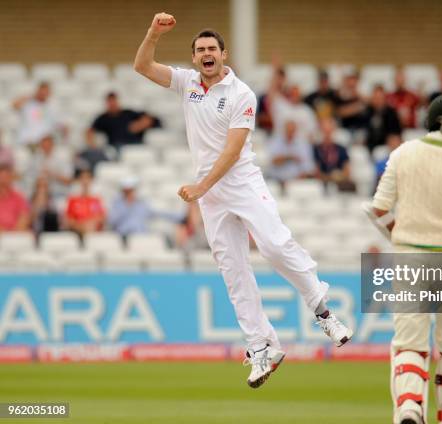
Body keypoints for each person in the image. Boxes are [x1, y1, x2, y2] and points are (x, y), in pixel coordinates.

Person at [133, 13, 352, 388]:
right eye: (199, 50)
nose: (206, 54)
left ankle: (322, 309)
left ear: (223, 54)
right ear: (193, 57)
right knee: (233, 270)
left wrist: (201, 187)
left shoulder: (241, 94)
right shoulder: (187, 82)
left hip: (242, 182)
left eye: (211, 49)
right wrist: (153, 32)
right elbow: (142, 66)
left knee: (274, 245)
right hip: (211, 194)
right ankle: (262, 346)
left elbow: (233, 151)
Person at [370, 94, 442, 424]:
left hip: (411, 258)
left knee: (409, 344)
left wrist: (400, 234)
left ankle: (409, 408)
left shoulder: (403, 153)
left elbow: (377, 210)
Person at [108, 176, 181, 238]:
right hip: (123, 237)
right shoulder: (117, 205)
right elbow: (112, 221)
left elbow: (159, 213)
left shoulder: (142, 205)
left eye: (131, 190)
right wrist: (127, 206)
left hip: (141, 237)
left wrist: (180, 217)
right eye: (127, 191)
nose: (129, 193)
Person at [88, 92, 161, 151]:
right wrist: (93, 145)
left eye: (114, 101)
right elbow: (90, 131)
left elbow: (152, 119)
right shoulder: (103, 118)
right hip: (117, 147)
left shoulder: (128, 113)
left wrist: (139, 125)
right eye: (110, 102)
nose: (112, 104)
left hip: (136, 145)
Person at [12, 81, 66, 148]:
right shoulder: (29, 104)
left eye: (46, 91)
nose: (43, 94)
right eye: (42, 91)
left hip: (45, 143)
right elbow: (15, 105)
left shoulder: (52, 106)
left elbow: (60, 124)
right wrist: (30, 97)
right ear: (38, 91)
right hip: (28, 141)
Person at [25, 135, 73, 203]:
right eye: (43, 146)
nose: (45, 148)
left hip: (58, 192)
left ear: (52, 145)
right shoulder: (36, 158)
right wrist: (38, 181)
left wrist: (52, 174)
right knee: (41, 190)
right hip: (40, 191)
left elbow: (68, 180)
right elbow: (29, 177)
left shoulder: (62, 158)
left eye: (48, 146)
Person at [267, 120, 316, 186]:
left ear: (295, 131)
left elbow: (308, 166)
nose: (290, 133)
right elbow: (273, 161)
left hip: (297, 181)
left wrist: (301, 176)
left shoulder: (303, 144)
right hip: (277, 180)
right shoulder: (275, 142)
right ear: (284, 130)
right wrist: (290, 157)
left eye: (292, 131)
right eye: (288, 130)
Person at [313, 118, 354, 191]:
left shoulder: (341, 149)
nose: (327, 134)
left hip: (339, 182)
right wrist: (330, 177)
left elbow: (347, 170)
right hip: (322, 182)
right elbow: (316, 172)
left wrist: (339, 176)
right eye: (325, 131)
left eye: (329, 131)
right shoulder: (316, 149)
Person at [65, 168, 106, 237]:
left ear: (91, 180)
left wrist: (90, 223)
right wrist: (81, 226)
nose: (85, 181)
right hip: (77, 233)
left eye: (87, 178)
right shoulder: (73, 200)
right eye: (82, 178)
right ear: (79, 180)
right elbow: (69, 220)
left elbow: (101, 217)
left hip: (93, 233)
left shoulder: (96, 200)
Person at [365, 85, 402, 153]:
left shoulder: (391, 113)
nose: (377, 101)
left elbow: (396, 133)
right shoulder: (367, 112)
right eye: (375, 98)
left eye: (380, 98)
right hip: (369, 145)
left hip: (386, 146)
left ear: (384, 98)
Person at [0, 162, 30, 232]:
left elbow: (24, 220)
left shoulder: (19, 198)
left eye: (6, 177)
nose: (4, 181)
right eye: (1, 178)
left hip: (16, 238)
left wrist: (10, 234)